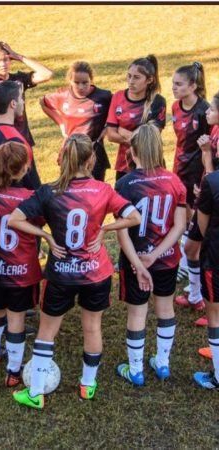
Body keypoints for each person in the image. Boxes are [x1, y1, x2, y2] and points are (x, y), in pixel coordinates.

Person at [8, 134, 141, 409]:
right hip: (96, 273)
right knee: (92, 327)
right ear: (91, 159)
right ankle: (87, 385)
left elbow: (15, 219)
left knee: (47, 331)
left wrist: (45, 236)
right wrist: (106, 228)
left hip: (61, 274)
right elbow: (134, 217)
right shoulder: (103, 190)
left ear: (63, 158)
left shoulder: (49, 190)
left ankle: (35, 393)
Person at [114, 124, 187, 385]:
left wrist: (139, 262)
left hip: (136, 262)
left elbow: (122, 232)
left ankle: (135, 370)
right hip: (166, 258)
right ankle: (163, 363)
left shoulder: (124, 184)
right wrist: (156, 254)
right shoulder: (174, 181)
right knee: (165, 308)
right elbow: (180, 225)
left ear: (132, 152)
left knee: (137, 313)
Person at [0, 141, 43, 387]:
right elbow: (39, 223)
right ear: (22, 169)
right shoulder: (30, 197)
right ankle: (14, 371)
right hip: (21, 271)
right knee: (16, 319)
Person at [169, 63, 211, 316]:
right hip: (179, 170)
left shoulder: (204, 111)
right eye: (173, 83)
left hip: (197, 175)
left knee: (197, 228)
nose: (174, 88)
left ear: (193, 86)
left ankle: (196, 286)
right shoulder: (175, 107)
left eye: (179, 84)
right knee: (183, 221)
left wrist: (204, 178)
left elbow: (209, 147)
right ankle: (190, 278)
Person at [40, 61, 112, 181]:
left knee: (95, 191)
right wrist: (61, 123)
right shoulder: (62, 96)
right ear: (70, 81)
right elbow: (43, 102)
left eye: (85, 83)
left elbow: (117, 112)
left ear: (91, 80)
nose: (81, 87)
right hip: (71, 150)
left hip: (94, 150)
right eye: (76, 83)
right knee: (70, 190)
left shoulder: (104, 96)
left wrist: (107, 128)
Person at [105, 55, 167, 181]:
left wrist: (122, 131)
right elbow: (111, 135)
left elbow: (150, 140)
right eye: (129, 75)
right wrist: (137, 137)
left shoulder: (157, 102)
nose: (131, 81)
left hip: (149, 165)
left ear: (149, 80)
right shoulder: (118, 97)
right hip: (124, 166)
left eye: (137, 77)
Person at [0, 81, 40, 190]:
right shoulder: (12, 140)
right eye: (20, 98)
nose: (23, 102)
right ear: (13, 103)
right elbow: (23, 178)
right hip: (22, 199)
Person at [193, 156, 219, 389]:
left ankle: (218, 376)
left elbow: (201, 228)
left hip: (215, 258)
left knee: (215, 315)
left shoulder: (211, 182)